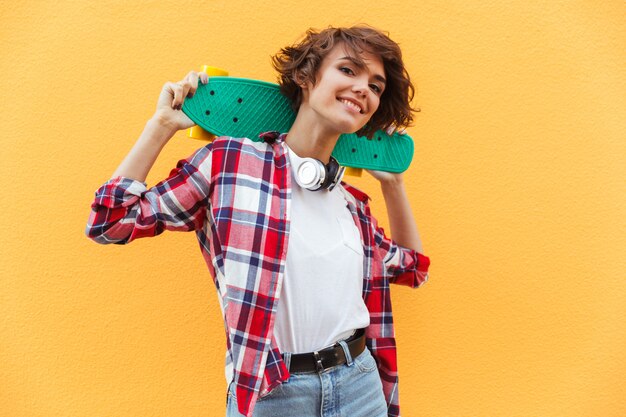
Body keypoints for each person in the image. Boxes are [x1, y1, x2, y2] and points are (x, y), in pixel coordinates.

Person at [86, 25, 430, 417]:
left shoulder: (351, 204)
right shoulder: (229, 163)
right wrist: (161, 124)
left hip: (360, 386)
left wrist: (394, 183)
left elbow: (412, 269)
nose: (363, 89)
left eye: (376, 86)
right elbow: (110, 221)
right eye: (348, 71)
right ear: (305, 76)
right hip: (274, 392)